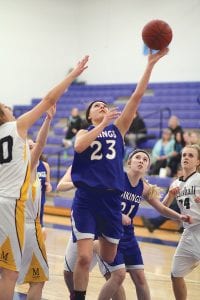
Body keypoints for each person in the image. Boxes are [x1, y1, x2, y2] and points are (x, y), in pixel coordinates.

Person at [71, 48, 169, 299]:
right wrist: (102, 125)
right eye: (96, 107)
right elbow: (79, 147)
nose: (102, 107)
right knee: (83, 258)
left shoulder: (118, 130)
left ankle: (91, 242)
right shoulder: (84, 132)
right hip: (87, 198)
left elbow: (136, 97)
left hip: (111, 201)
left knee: (109, 257)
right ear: (89, 115)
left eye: (104, 105)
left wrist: (150, 64)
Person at [0, 55, 88, 300]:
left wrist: (49, 120)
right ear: (4, 115)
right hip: (11, 205)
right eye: (9, 109)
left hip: (4, 203)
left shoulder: (17, 147)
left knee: (10, 272)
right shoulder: (16, 127)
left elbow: (38, 147)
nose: (13, 111)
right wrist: (72, 75)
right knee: (9, 273)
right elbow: (49, 98)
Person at [95, 149, 190, 300]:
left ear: (147, 167)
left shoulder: (144, 187)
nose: (141, 160)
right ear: (129, 162)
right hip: (107, 233)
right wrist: (118, 215)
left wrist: (180, 216)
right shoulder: (117, 178)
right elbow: (99, 202)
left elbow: (161, 208)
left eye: (145, 160)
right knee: (117, 277)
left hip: (128, 236)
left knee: (140, 278)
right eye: (137, 158)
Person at [57, 166, 126, 300]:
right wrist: (80, 182)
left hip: (103, 226)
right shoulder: (79, 164)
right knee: (68, 273)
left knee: (114, 274)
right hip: (83, 221)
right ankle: (75, 295)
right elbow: (60, 186)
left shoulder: (112, 166)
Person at [17, 105, 56, 299]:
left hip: (11, 224)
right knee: (38, 280)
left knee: (7, 275)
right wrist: (47, 120)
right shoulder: (28, 166)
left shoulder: (8, 168)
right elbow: (40, 143)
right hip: (28, 227)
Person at [162, 144, 200, 300]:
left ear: (198, 161)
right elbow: (162, 209)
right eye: (184, 155)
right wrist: (170, 196)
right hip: (189, 232)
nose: (186, 158)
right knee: (176, 274)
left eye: (191, 155)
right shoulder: (175, 184)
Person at [37, 154, 52, 239]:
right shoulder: (25, 163)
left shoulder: (45, 165)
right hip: (27, 201)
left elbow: (48, 184)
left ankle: (40, 249)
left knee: (41, 227)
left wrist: (48, 186)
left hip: (40, 202)